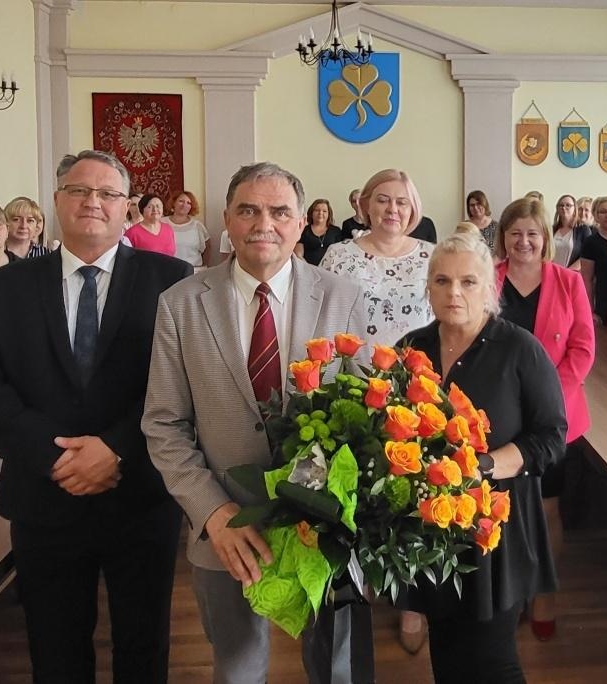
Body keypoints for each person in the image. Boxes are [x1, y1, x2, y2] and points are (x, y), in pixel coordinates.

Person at [0, 150, 192, 683]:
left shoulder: (171, 278)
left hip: (140, 490)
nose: (93, 202)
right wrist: (55, 456)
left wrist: (114, 449)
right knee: (55, 645)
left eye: (108, 193)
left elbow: (181, 382)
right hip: (46, 493)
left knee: (144, 640)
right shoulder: (8, 286)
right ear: (58, 202)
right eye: (79, 191)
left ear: (127, 207)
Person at [143, 162, 369, 684]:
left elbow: (363, 416)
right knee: (238, 666)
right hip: (226, 527)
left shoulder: (341, 297)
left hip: (324, 528)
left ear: (299, 223)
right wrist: (213, 514)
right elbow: (164, 426)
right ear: (226, 219)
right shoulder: (180, 304)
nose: (263, 223)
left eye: (279, 211)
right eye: (248, 209)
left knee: (334, 666)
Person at [400, 233, 568, 683]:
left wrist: (485, 466)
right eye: (443, 280)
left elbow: (551, 437)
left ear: (489, 289)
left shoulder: (520, 349)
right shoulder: (410, 349)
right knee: (448, 653)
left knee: (492, 662)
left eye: (468, 282)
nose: (454, 292)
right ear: (429, 288)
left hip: (496, 533)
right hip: (431, 528)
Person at [493, 198, 594, 645]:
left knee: (548, 508)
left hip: (554, 415)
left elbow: (583, 349)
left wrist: (545, 395)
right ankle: (509, 590)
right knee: (502, 508)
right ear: (504, 238)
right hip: (496, 414)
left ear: (545, 238)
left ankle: (543, 592)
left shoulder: (569, 282)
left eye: (533, 233)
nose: (524, 241)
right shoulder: (487, 278)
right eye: (515, 232)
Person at [319, 169, 435, 346]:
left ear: (412, 209)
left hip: (420, 370)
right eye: (382, 200)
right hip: (350, 372)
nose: (392, 209)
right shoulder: (338, 256)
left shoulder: (433, 257)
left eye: (402, 203)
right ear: (366, 206)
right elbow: (320, 319)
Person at [580, 196, 607, 321]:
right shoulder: (591, 242)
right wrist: (589, 310)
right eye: (603, 212)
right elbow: (587, 279)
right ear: (596, 215)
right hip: (605, 301)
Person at [167, 190, 213, 268]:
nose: (184, 205)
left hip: (194, 271)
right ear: (174, 203)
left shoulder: (198, 226)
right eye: (181, 201)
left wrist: (204, 267)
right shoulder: (161, 223)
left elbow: (208, 247)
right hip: (169, 270)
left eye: (188, 203)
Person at [124, 193, 177, 257]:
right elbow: (125, 258)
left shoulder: (168, 229)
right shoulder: (132, 233)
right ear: (142, 209)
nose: (155, 210)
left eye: (158, 206)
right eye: (150, 207)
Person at [296, 198, 345, 266]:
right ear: (311, 213)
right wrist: (310, 269)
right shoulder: (304, 230)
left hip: (330, 271)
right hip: (308, 270)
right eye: (317, 210)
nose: (320, 213)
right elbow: (298, 255)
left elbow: (340, 254)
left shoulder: (336, 231)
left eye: (324, 211)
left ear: (329, 214)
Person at [549, 194, 590, 270]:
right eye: (561, 205)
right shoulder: (552, 229)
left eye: (568, 205)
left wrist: (567, 272)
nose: (564, 208)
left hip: (571, 275)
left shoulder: (583, 230)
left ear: (575, 209)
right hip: (552, 273)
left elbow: (587, 255)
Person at [3, 196, 51, 260]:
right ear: (6, 223)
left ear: (36, 226)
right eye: (16, 220)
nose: (23, 226)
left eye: (30, 221)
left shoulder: (47, 255)